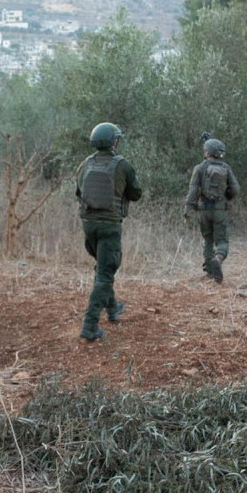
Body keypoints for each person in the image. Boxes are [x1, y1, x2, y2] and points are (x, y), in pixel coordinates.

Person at [75, 122, 142, 342]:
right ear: (114, 141)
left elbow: (78, 192)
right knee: (105, 273)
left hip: (88, 225)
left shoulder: (85, 165)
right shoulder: (122, 165)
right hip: (110, 225)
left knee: (103, 268)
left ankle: (113, 308)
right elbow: (136, 194)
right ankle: (90, 325)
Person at [183, 138, 240, 283]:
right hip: (220, 209)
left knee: (208, 239)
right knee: (221, 240)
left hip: (204, 210)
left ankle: (209, 272)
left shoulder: (200, 168)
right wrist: (227, 196)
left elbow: (193, 191)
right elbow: (235, 189)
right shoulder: (226, 168)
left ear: (207, 152)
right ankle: (218, 259)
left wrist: (189, 210)